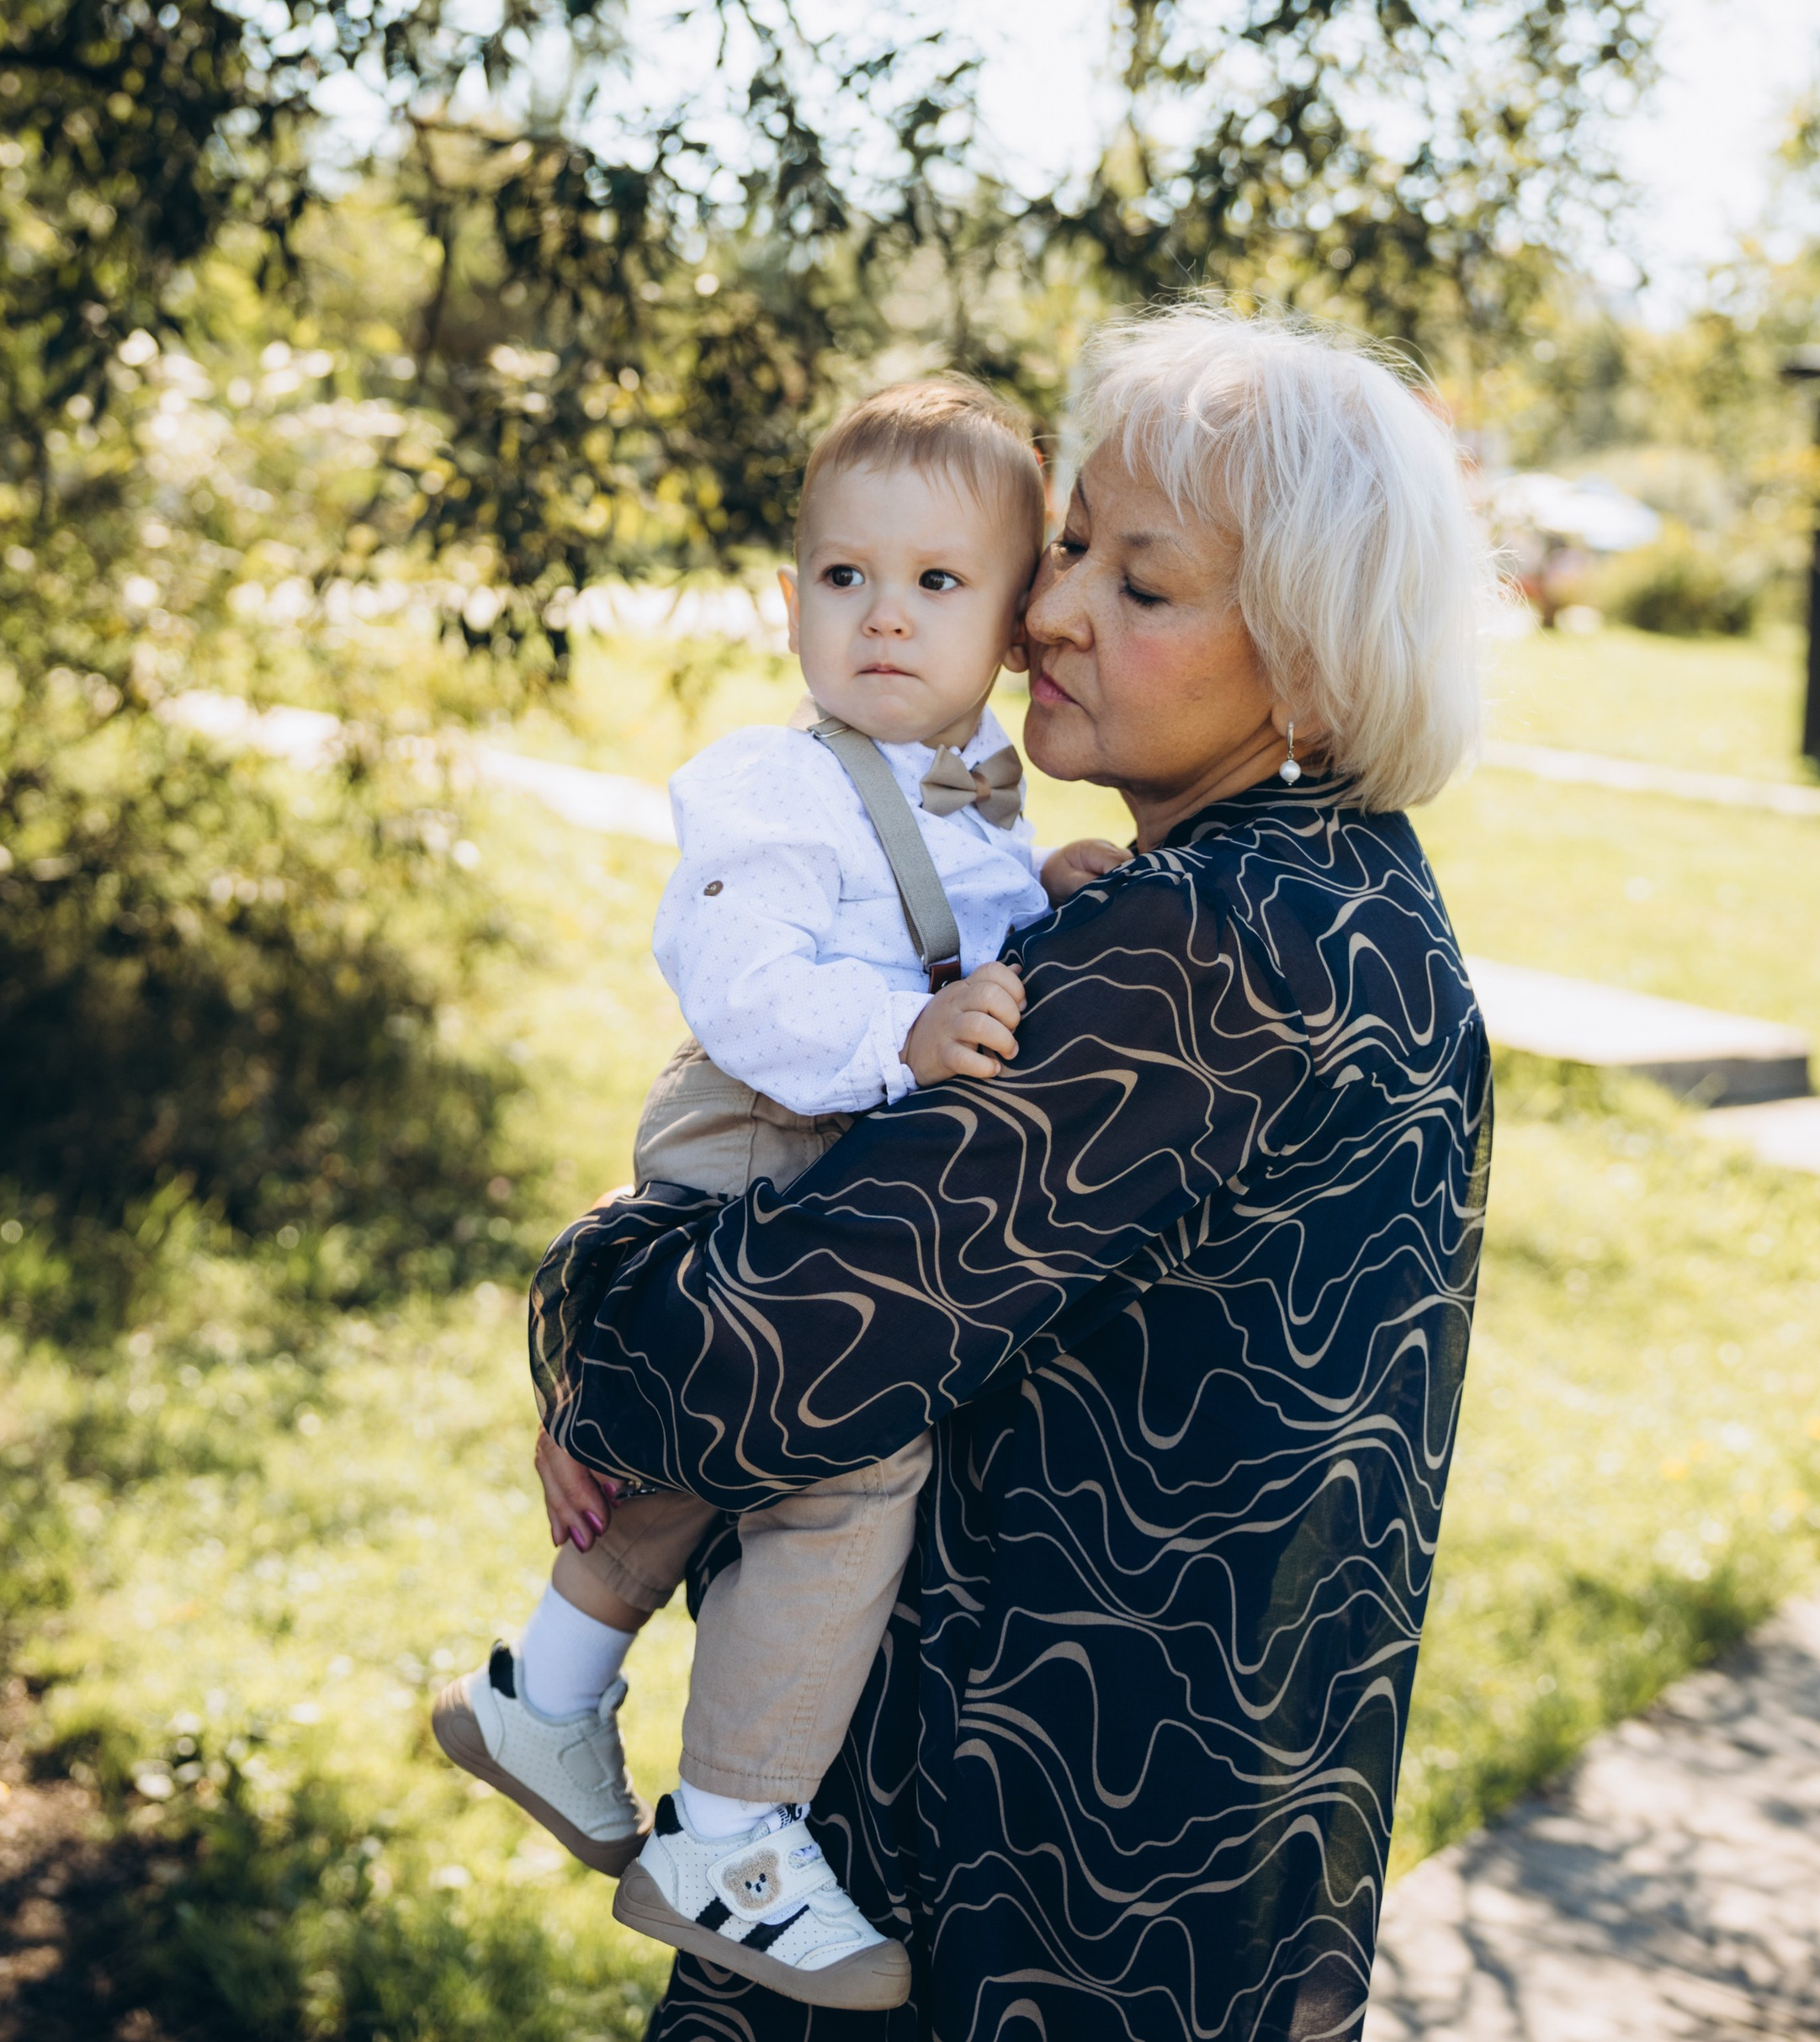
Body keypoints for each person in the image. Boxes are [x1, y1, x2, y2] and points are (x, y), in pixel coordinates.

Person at [529, 300, 1496, 2042]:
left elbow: (752, 1353)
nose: (1047, 609)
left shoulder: (1202, 951)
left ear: (1310, 667)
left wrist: (597, 1319)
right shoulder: (1354, 901)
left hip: (1012, 1888)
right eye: (1068, 545)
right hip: (1199, 1867)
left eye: (1142, 584)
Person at [432, 377, 1121, 2010]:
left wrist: (1042, 898)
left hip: (819, 1137)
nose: (883, 616)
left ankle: (546, 1686)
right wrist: (899, 1039)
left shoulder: (973, 785)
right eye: (843, 576)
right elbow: (743, 984)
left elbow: (936, 928)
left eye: (937, 581)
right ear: (791, 594)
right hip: (763, 1124)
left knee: (710, 1447)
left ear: (1013, 625)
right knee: (843, 1463)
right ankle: (730, 1830)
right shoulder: (773, 781)